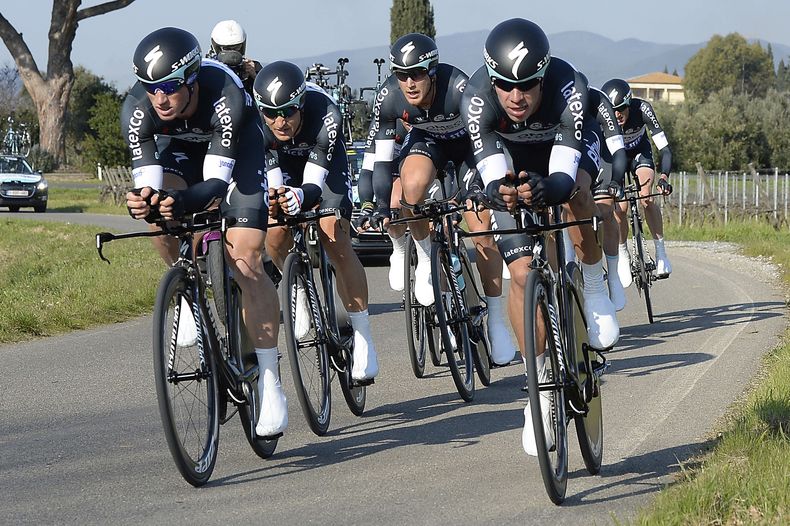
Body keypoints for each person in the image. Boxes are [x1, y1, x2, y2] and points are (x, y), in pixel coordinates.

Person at [461, 18, 619, 455]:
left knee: (581, 196)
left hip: (561, 151)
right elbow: (492, 178)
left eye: (528, 86)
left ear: (543, 76)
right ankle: (539, 393)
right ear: (491, 80)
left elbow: (564, 177)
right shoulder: (476, 100)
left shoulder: (569, 86)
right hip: (511, 153)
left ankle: (592, 285)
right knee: (521, 272)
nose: (516, 96)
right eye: (505, 86)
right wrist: (501, 192)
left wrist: (551, 187)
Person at [122, 27, 286, 438]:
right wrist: (145, 201)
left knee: (246, 261)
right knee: (159, 211)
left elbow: (215, 185)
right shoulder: (139, 109)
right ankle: (187, 295)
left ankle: (269, 379)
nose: (160, 97)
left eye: (171, 87)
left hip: (237, 153)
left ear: (192, 79)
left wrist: (183, 202)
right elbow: (148, 180)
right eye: (151, 87)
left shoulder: (224, 93)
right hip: (180, 152)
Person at [359, 32, 517, 366]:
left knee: (481, 228)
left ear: (432, 72)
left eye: (417, 74)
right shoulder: (389, 97)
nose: (410, 83)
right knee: (411, 189)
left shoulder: (458, 88)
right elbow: (383, 162)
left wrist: (479, 189)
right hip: (428, 143)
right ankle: (425, 255)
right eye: (403, 75)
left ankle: (496, 317)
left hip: (468, 148)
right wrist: (383, 207)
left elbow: (484, 139)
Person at [252, 61, 379, 383]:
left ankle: (363, 335)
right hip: (282, 165)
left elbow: (314, 184)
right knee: (275, 231)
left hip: (323, 168)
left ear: (302, 105)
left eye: (289, 111)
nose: (280, 121)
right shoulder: (255, 122)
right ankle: (294, 283)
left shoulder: (325, 112)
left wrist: (302, 198)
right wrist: (280, 200)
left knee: (334, 235)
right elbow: (272, 180)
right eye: (271, 113)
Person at [600, 78, 673, 285]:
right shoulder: (602, 115)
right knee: (620, 208)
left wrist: (664, 178)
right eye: (613, 110)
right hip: (616, 157)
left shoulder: (643, 109)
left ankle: (661, 253)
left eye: (622, 108)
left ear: (629, 103)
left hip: (641, 153)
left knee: (647, 198)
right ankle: (623, 255)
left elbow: (665, 150)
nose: (617, 114)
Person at [208, 20, 262, 96]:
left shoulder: (252, 67)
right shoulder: (209, 69)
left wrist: (254, 76)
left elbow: (266, 94)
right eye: (227, 48)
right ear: (217, 47)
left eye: (237, 47)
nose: (232, 52)